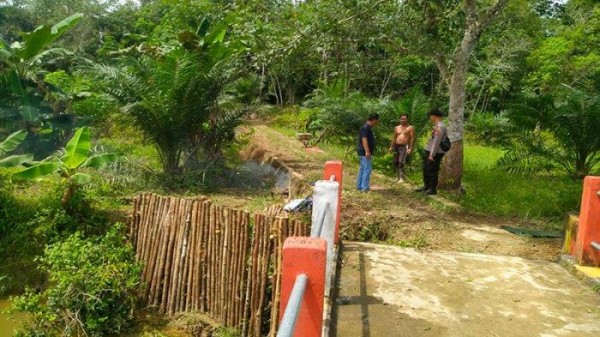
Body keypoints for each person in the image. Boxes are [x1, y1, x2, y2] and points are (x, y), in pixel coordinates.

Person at [416, 109, 448, 196]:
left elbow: (436, 141)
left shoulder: (440, 127)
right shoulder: (437, 125)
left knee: (432, 170)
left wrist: (432, 154)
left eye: (430, 115)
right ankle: (426, 186)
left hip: (435, 152)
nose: (430, 117)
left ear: (434, 116)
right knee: (426, 169)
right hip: (430, 150)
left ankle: (432, 189)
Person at [388, 114, 415, 183]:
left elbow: (412, 138)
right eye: (401, 119)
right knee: (396, 161)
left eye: (404, 119)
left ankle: (402, 178)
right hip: (396, 146)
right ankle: (397, 177)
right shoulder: (397, 127)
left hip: (404, 146)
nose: (403, 120)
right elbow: (394, 137)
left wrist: (410, 148)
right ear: (400, 119)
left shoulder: (410, 127)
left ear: (407, 119)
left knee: (401, 162)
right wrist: (391, 146)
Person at [356, 113, 379, 192]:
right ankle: (364, 188)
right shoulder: (366, 128)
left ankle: (360, 186)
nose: (377, 122)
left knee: (362, 169)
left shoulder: (366, 128)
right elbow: (364, 139)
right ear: (374, 120)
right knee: (367, 169)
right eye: (377, 120)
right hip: (364, 151)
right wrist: (367, 151)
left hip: (362, 151)